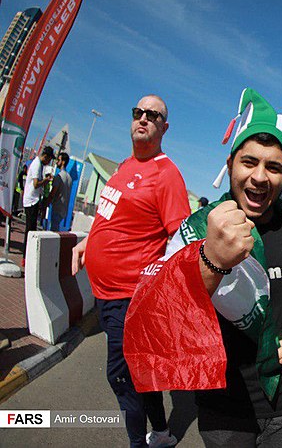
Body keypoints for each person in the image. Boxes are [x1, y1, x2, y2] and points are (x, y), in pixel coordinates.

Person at [124, 88, 282, 448]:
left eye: (274, 167)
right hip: (223, 407)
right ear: (230, 166)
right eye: (249, 162)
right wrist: (212, 260)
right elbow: (159, 318)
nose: (260, 177)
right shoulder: (196, 228)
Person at [72, 95, 189, 448]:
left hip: (131, 298)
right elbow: (108, 215)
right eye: (138, 112)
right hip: (105, 294)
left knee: (120, 376)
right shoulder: (124, 166)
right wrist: (87, 242)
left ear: (163, 127)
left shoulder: (166, 175)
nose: (143, 119)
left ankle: (138, 442)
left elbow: (181, 241)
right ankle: (164, 433)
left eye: (153, 115)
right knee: (141, 374)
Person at [22, 146, 54, 264]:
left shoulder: (39, 165)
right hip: (31, 200)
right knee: (30, 229)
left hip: (33, 199)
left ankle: (27, 254)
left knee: (32, 228)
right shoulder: (36, 165)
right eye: (49, 159)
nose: (49, 162)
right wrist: (46, 181)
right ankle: (25, 255)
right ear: (46, 156)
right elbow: (35, 184)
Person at [43, 152, 73, 232]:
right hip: (63, 209)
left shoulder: (59, 176)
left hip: (57, 207)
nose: (57, 162)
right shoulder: (69, 178)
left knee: (53, 230)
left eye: (58, 160)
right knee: (56, 230)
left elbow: (53, 192)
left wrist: (46, 204)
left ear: (63, 162)